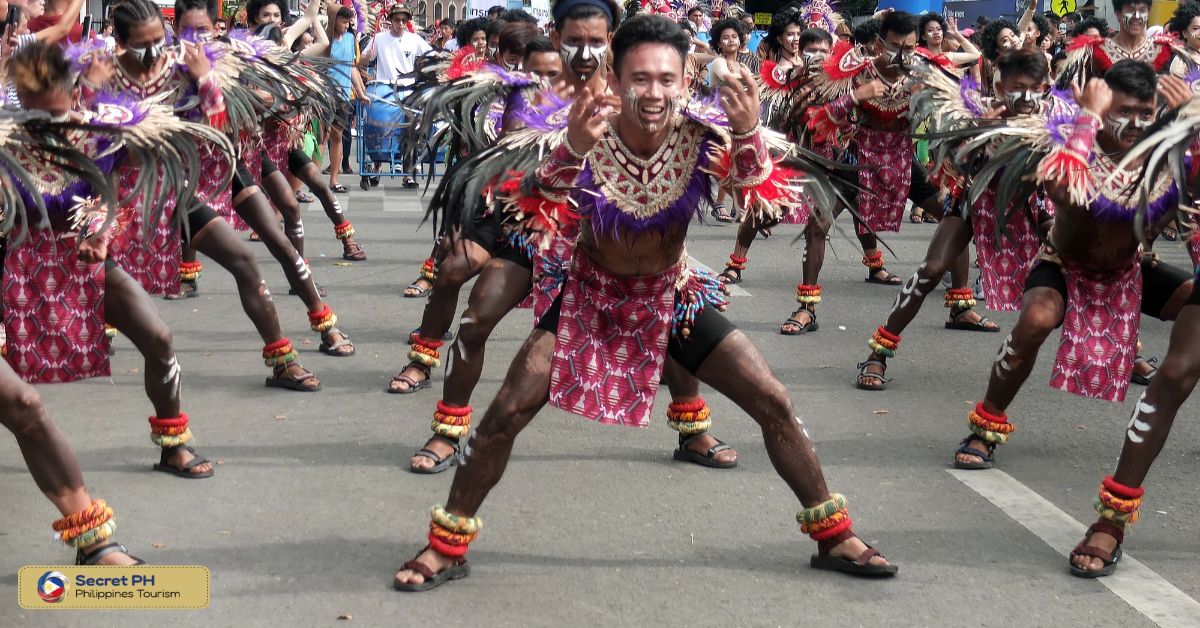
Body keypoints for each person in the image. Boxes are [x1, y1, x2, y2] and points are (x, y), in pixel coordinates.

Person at [392, 15, 897, 591]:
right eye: (641, 78)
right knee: (507, 410)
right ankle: (446, 546)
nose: (654, 93)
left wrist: (752, 133)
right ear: (615, 74)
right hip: (590, 297)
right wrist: (574, 149)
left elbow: (762, 205)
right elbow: (531, 210)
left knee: (773, 401)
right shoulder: (578, 127)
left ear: (685, 81)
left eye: (666, 79)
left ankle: (834, 537)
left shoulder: (708, 133)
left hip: (672, 294)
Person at [951, 61, 1194, 471]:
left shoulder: (1167, 158)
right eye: (1124, 111)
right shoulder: (1065, 141)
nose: (1135, 123)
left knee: (1194, 309)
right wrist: (1087, 119)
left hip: (1127, 272)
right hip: (1065, 266)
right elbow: (1065, 190)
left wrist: (1192, 118)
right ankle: (985, 425)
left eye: (1144, 114)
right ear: (1102, 106)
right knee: (1035, 323)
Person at [854, 49, 1053, 392]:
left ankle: (1130, 353)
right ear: (1000, 85)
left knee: (1085, 274)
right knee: (930, 270)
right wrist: (983, 131)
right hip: (975, 202)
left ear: (1045, 86)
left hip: (1036, 208)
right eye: (1017, 88)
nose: (1025, 97)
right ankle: (878, 353)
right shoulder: (974, 111)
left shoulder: (1058, 118)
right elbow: (957, 164)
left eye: (1033, 88)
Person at [360, 2, 433, 188]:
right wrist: (367, 57)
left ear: (407, 21)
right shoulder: (380, 38)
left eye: (403, 20)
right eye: (397, 20)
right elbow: (362, 61)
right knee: (379, 128)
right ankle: (376, 170)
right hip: (385, 90)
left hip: (408, 92)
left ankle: (408, 174)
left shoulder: (414, 40)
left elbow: (432, 55)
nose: (400, 23)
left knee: (410, 131)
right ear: (390, 21)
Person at [325, 3, 367, 194]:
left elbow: (351, 67)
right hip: (325, 94)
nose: (346, 25)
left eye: (349, 22)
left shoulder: (350, 38)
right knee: (321, 136)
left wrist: (360, 92)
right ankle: (311, 177)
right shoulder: (326, 40)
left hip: (343, 95)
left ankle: (334, 180)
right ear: (334, 21)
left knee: (337, 136)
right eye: (343, 22)